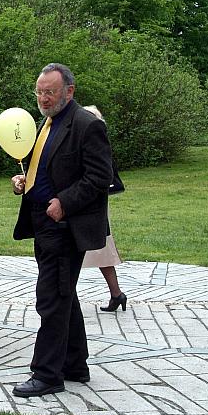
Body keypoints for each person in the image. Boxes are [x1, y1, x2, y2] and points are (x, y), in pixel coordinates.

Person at [10, 63, 113, 397]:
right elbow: (50, 166)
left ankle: (46, 374)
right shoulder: (48, 121)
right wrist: (28, 182)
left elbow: (100, 177)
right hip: (43, 221)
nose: (43, 98)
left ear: (70, 90)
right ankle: (74, 364)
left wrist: (64, 202)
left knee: (52, 298)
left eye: (49, 92)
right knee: (63, 293)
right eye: (39, 92)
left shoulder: (86, 125)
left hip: (65, 225)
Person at [82, 105, 126, 312]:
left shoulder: (95, 145)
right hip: (88, 206)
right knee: (100, 250)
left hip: (91, 206)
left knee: (98, 249)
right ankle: (116, 294)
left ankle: (116, 294)